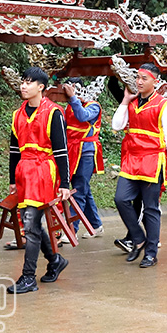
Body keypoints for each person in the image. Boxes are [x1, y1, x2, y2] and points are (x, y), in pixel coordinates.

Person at [6, 67, 72, 294]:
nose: (23, 86)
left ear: (41, 87)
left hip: (44, 170)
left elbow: (61, 150)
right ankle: (55, 261)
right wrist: (12, 178)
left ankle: (28, 277)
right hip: (24, 170)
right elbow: (14, 150)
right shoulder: (17, 114)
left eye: (29, 82)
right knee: (31, 222)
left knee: (31, 224)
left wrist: (65, 182)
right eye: (23, 81)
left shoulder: (54, 113)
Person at [111, 63, 167, 268]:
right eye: (138, 77)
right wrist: (124, 100)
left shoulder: (162, 105)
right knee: (120, 199)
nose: (139, 82)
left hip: (152, 160)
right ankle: (138, 238)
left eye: (144, 78)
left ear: (155, 81)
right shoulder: (132, 102)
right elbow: (116, 125)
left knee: (151, 208)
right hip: (131, 160)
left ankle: (151, 253)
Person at [62, 77, 105, 237]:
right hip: (71, 150)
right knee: (83, 189)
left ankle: (72, 230)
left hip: (85, 151)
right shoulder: (69, 106)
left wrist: (73, 98)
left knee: (79, 190)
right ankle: (96, 225)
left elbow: (82, 116)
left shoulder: (93, 105)